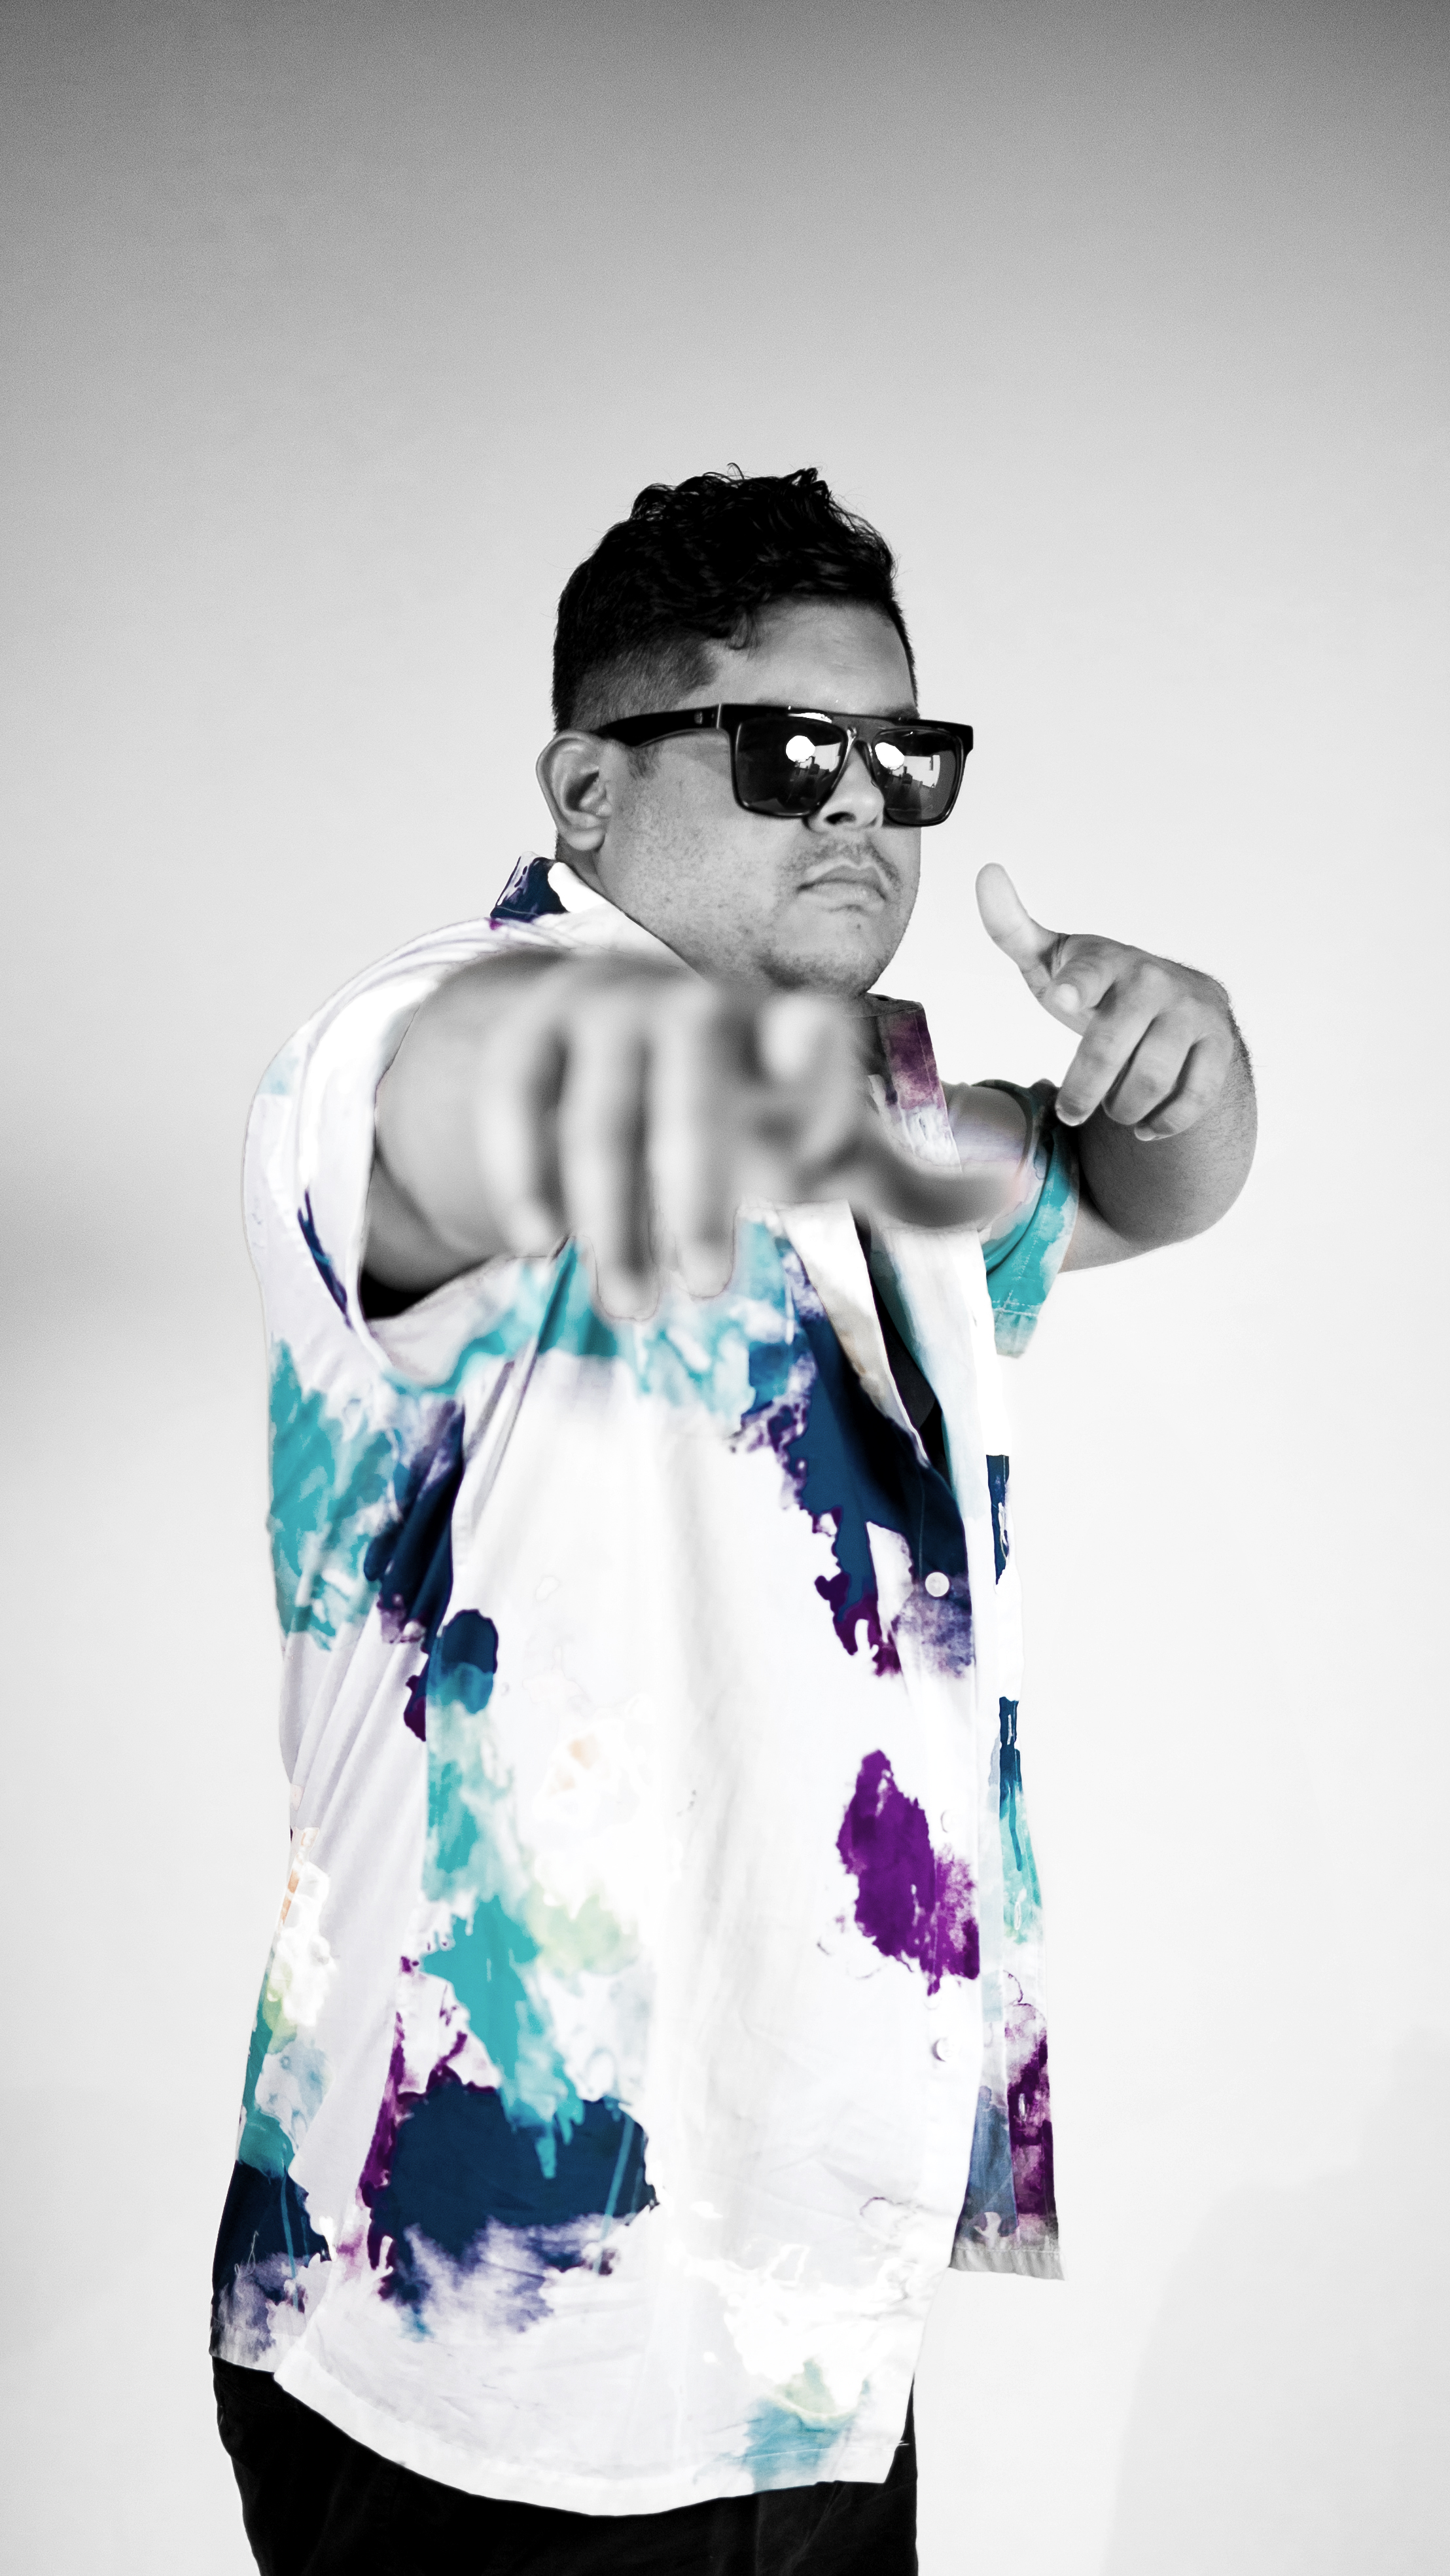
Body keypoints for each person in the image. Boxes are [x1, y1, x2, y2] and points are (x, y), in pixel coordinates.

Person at [211, 467, 1254, 2575]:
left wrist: (1195, 1063)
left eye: (904, 758)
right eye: (786, 750)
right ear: (587, 791)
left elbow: (1152, 1189)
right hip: (479, 2350)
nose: (861, 804)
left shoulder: (875, 1111)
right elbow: (458, 1123)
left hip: (803, 2335)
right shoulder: (417, 1034)